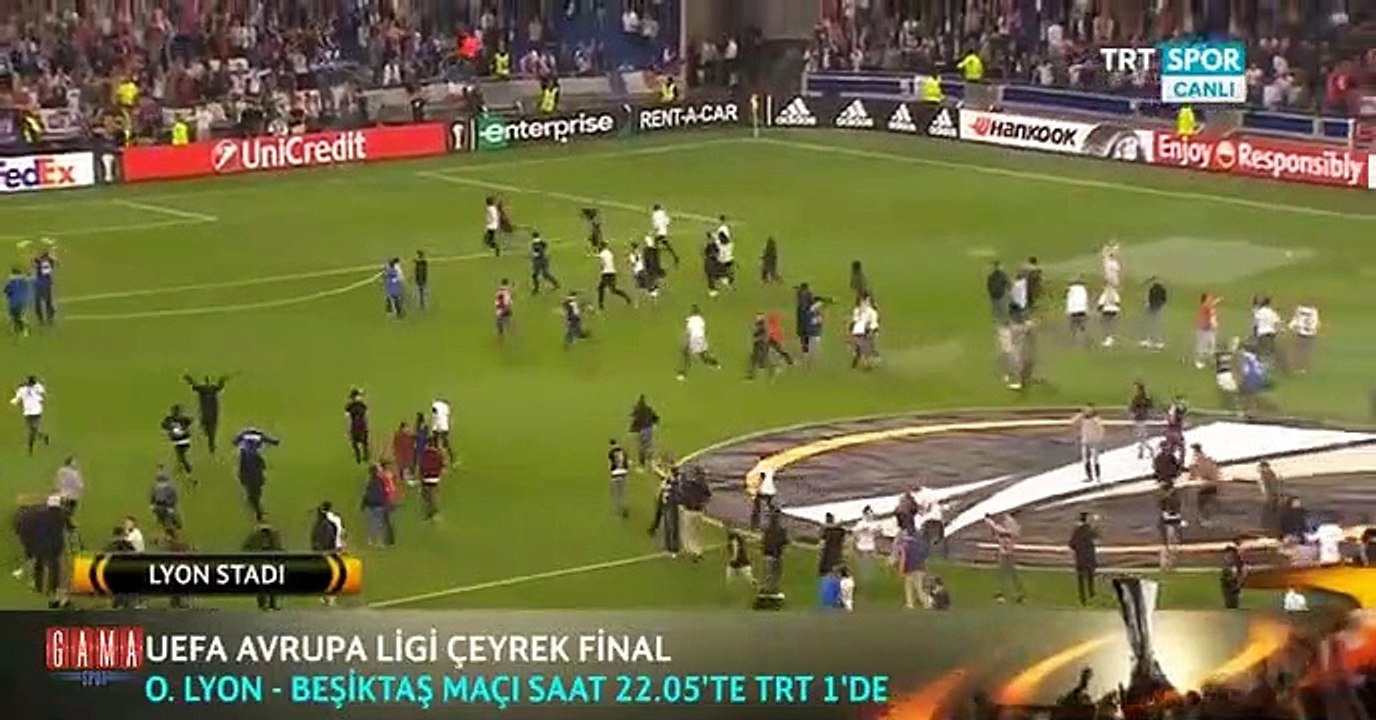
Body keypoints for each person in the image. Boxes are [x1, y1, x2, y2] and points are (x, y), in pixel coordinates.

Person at [243, 517, 284, 610]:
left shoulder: (273, 536)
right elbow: (247, 549)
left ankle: (272, 603)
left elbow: (279, 548)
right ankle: (263, 604)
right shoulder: (255, 537)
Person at [985, 512, 1025, 603]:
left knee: (1010, 574)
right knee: (1005, 574)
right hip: (1004, 553)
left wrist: (989, 521)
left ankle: (1018, 593)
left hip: (1008, 553)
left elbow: (999, 530)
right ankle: (1008, 593)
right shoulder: (1009, 529)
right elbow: (997, 530)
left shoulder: (1011, 529)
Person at [310, 502, 345, 605]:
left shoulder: (317, 525)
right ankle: (330, 597)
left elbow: (314, 539)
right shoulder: (334, 521)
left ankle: (324, 595)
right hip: (331, 550)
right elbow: (338, 535)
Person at [184, 374, 228, 454]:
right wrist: (222, 380)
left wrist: (190, 380)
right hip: (212, 413)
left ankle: (211, 444)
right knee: (211, 430)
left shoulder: (203, 389)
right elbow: (220, 387)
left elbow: (194, 386)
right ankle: (211, 444)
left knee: (208, 428)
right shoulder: (212, 389)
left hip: (206, 412)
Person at [677, 305, 720, 380]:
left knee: (687, 354)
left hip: (694, 338)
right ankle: (714, 363)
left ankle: (683, 373)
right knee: (701, 355)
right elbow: (703, 329)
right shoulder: (701, 319)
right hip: (700, 338)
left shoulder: (691, 320)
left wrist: (686, 339)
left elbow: (688, 331)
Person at [678, 464, 711, 560]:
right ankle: (698, 551)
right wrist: (703, 504)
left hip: (689, 511)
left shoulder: (689, 485)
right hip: (699, 512)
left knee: (687, 532)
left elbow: (683, 493)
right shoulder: (703, 485)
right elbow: (708, 496)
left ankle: (690, 550)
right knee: (697, 532)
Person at [11, 375, 48, 455]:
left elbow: (43, 394)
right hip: (27, 412)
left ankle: (30, 448)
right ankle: (43, 436)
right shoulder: (22, 390)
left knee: (32, 430)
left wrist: (40, 395)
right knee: (33, 430)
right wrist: (13, 402)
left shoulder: (38, 387)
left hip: (37, 411)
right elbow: (17, 398)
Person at [894, 527, 930, 609]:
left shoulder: (904, 546)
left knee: (915, 587)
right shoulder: (918, 544)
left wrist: (901, 571)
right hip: (920, 568)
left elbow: (903, 559)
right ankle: (910, 603)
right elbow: (924, 557)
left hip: (911, 568)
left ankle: (926, 603)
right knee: (911, 585)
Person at [648, 469, 681, 556]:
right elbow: (661, 477)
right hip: (665, 505)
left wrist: (668, 490)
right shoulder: (668, 480)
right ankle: (667, 547)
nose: (668, 474)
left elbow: (677, 495)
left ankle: (674, 549)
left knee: (672, 527)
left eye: (670, 473)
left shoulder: (676, 484)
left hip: (671, 506)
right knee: (667, 526)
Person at [1069, 513, 1099, 606]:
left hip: (1080, 558)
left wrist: (1078, 549)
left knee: (1081, 580)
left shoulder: (1077, 531)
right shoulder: (1090, 530)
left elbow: (1071, 544)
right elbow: (1097, 537)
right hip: (1090, 558)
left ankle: (1083, 599)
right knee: (1091, 577)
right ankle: (1091, 593)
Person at [1071, 405, 1104, 484]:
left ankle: (1098, 476)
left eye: (1089, 409)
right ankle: (1089, 476)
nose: (1087, 411)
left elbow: (1101, 428)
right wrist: (1080, 415)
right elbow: (1072, 422)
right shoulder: (1083, 419)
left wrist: (1099, 438)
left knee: (1095, 459)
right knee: (1086, 459)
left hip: (1094, 441)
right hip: (1085, 441)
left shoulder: (1096, 419)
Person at [161, 404, 195, 479]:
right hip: (177, 442)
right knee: (180, 456)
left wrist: (186, 429)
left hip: (184, 441)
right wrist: (168, 431)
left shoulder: (183, 419)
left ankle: (187, 470)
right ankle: (184, 468)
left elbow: (190, 422)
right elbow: (164, 426)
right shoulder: (170, 419)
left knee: (181, 456)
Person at [595, 243, 633, 310]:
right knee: (612, 290)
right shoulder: (610, 253)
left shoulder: (603, 253)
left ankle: (601, 305)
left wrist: (601, 267)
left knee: (602, 289)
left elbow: (602, 262)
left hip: (606, 273)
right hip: (612, 272)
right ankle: (627, 297)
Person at [418, 437, 446, 521]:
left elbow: (421, 466)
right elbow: (441, 465)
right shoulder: (438, 454)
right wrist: (439, 473)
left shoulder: (424, 454)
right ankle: (434, 509)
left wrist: (421, 476)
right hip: (435, 477)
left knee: (426, 494)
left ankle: (430, 510)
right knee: (433, 493)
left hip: (426, 477)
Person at [628, 395, 659, 469]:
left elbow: (634, 417)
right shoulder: (648, 409)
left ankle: (642, 463)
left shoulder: (637, 409)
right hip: (648, 429)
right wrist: (655, 423)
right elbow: (655, 417)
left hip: (642, 430)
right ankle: (650, 460)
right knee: (648, 445)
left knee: (641, 446)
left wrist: (632, 429)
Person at [761, 510, 787, 594]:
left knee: (769, 573)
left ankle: (767, 589)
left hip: (768, 554)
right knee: (776, 573)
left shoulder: (767, 530)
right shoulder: (781, 530)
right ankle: (771, 589)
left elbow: (763, 541)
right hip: (776, 555)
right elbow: (783, 542)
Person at [852, 506, 881, 581]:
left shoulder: (875, 524)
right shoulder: (860, 523)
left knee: (871, 564)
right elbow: (854, 533)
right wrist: (861, 531)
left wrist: (875, 532)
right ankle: (863, 578)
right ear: (864, 514)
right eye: (868, 513)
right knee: (863, 564)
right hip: (862, 546)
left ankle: (871, 579)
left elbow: (879, 534)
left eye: (871, 513)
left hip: (871, 546)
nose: (870, 515)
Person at [1195, 293, 1222, 369]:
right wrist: (1209, 325)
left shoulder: (1209, 306)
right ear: (1205, 300)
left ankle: (1210, 360)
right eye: (1209, 299)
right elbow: (1205, 319)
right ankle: (1199, 361)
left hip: (1210, 330)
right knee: (1202, 346)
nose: (1210, 299)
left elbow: (1212, 304)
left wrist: (1217, 300)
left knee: (1212, 345)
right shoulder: (1205, 307)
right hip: (1204, 329)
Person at [1129, 382, 1155, 459]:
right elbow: (1150, 406)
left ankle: (1143, 451)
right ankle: (1145, 450)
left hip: (1140, 419)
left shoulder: (1138, 398)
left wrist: (1133, 411)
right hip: (1142, 418)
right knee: (1141, 436)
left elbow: (1132, 408)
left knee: (1141, 436)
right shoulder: (1145, 398)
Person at [150, 466, 180, 530]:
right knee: (160, 522)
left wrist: (171, 508)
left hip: (167, 507)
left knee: (169, 522)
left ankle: (172, 530)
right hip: (158, 507)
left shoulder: (170, 489)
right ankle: (164, 530)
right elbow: (153, 497)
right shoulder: (155, 488)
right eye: (159, 482)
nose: (160, 484)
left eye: (162, 482)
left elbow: (174, 499)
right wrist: (152, 506)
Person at [749, 462, 777, 531]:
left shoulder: (762, 468)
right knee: (768, 505)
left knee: (758, 508)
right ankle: (773, 522)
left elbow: (761, 479)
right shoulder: (771, 468)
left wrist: (756, 490)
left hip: (763, 491)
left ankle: (756, 525)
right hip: (771, 491)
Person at [31, 246, 56, 325]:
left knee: (42, 301)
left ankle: (47, 317)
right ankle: (48, 316)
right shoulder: (48, 261)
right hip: (44, 282)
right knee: (46, 301)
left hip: (43, 282)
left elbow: (36, 264)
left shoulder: (45, 261)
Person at [1141, 277, 1167, 349]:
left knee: (1153, 324)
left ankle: (1153, 340)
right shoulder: (1161, 289)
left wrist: (1148, 304)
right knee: (1155, 324)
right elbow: (1164, 300)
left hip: (1154, 307)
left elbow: (1150, 298)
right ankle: (1155, 341)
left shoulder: (1153, 289)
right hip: (1157, 307)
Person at [344, 389, 369, 464]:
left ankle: (358, 456)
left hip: (355, 425)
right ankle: (365, 455)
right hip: (361, 424)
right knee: (364, 441)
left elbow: (347, 415)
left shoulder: (351, 406)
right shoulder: (361, 405)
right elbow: (366, 413)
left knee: (354, 441)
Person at [608, 439, 631, 519]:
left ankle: (619, 510)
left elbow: (610, 465)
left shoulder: (611, 453)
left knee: (616, 494)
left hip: (615, 474)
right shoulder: (624, 452)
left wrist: (610, 472)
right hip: (624, 473)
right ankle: (624, 509)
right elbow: (627, 463)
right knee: (623, 493)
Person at [5, 267, 31, 336]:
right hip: (22, 302)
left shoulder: (10, 283)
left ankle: (15, 330)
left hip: (13, 304)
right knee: (21, 316)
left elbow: (7, 292)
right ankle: (25, 330)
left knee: (13, 317)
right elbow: (28, 280)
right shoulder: (23, 281)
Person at [1221, 544, 1246, 609]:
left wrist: (1238, 585)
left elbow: (1240, 578)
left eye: (1231, 556)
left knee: (1232, 605)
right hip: (1230, 590)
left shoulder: (1235, 568)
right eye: (1227, 556)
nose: (1227, 557)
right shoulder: (1228, 568)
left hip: (1233, 590)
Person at [1065, 278, 1089, 345]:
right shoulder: (1083, 290)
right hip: (1082, 310)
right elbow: (1085, 300)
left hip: (1073, 311)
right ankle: (1085, 339)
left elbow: (1069, 301)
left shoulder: (1070, 290)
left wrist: (1067, 311)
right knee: (1082, 325)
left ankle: (1073, 339)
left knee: (1073, 326)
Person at [431, 398, 454, 462]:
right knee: (445, 444)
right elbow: (447, 416)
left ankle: (437, 459)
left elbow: (435, 416)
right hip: (444, 427)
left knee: (436, 445)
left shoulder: (435, 405)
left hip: (437, 427)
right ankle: (450, 459)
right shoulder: (446, 407)